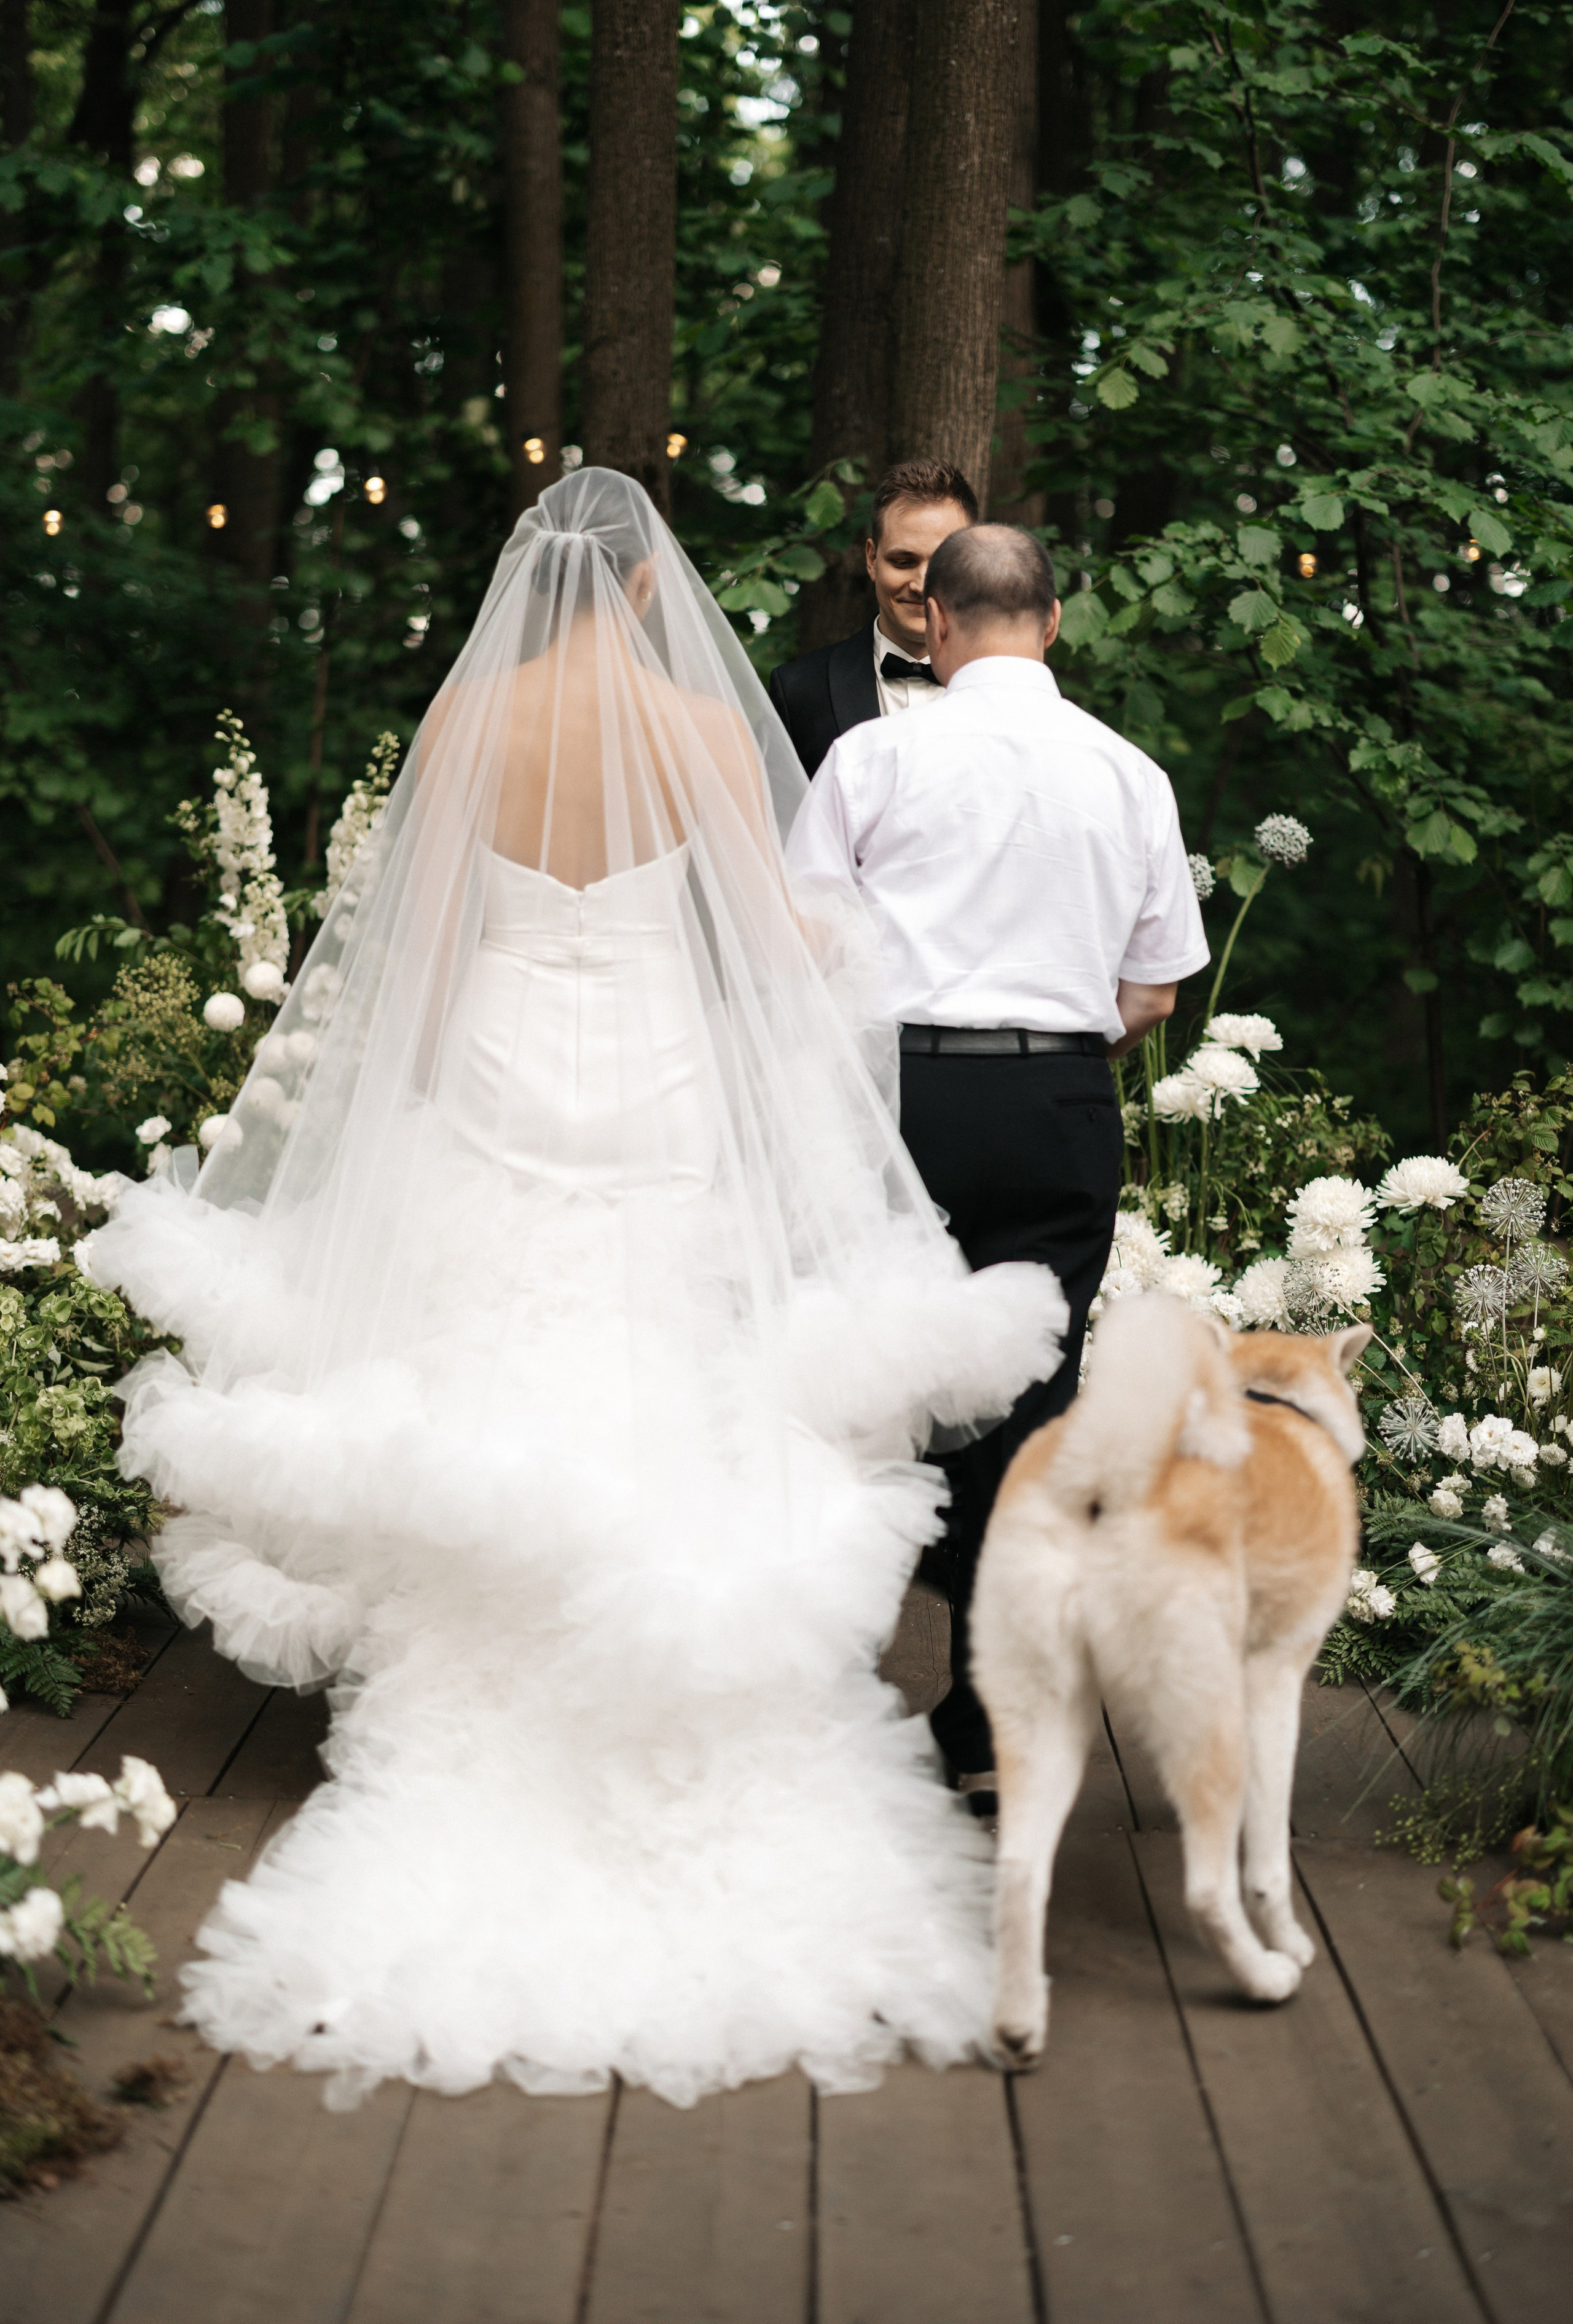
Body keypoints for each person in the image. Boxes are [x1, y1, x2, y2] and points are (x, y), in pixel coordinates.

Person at [92, 471, 1065, 2108]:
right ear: (643, 591)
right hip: (658, 1078)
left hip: (500, 1057)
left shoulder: (473, 713)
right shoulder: (695, 728)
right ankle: (666, 1671)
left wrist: (386, 1118)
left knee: (496, 1346)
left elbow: (416, 939)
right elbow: (766, 947)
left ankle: (491, 1683)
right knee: (660, 1352)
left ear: (535, 586)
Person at [785, 522, 1209, 1814]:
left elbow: (799, 947)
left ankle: (835, 1705)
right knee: (1026, 1414)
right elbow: (1153, 988)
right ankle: (989, 1717)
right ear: (1054, 622)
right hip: (1056, 1103)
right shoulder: (1129, 773)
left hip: (903, 1104)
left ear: (938, 625)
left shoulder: (871, 752)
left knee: (879, 1396)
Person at [767, 458, 977, 777]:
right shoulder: (799, 690)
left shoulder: (1013, 692)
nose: (921, 585)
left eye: (942, 563)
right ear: (871, 559)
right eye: (903, 561)